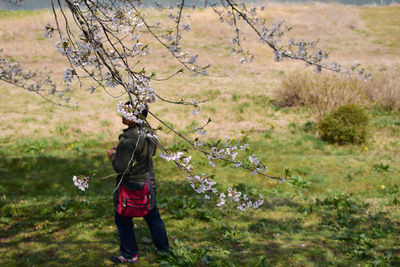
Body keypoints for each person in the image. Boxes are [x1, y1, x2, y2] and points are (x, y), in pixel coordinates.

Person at [106, 102, 169, 264]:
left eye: (126, 113)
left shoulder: (129, 139)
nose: (122, 115)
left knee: (122, 219)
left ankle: (129, 254)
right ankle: (164, 250)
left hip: (130, 184)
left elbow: (121, 167)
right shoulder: (149, 132)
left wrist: (113, 155)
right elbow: (148, 152)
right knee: (153, 216)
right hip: (148, 181)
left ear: (134, 119)